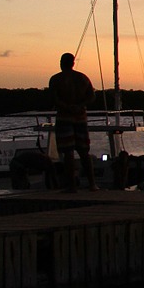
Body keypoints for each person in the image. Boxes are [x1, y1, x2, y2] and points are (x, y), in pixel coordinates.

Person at [48, 52, 99, 191]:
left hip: (65, 118)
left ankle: (71, 185)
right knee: (84, 151)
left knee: (68, 152)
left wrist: (67, 107)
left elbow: (54, 98)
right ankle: (92, 184)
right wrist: (80, 105)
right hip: (80, 118)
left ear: (62, 63)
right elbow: (92, 97)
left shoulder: (56, 79)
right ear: (73, 63)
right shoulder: (83, 78)